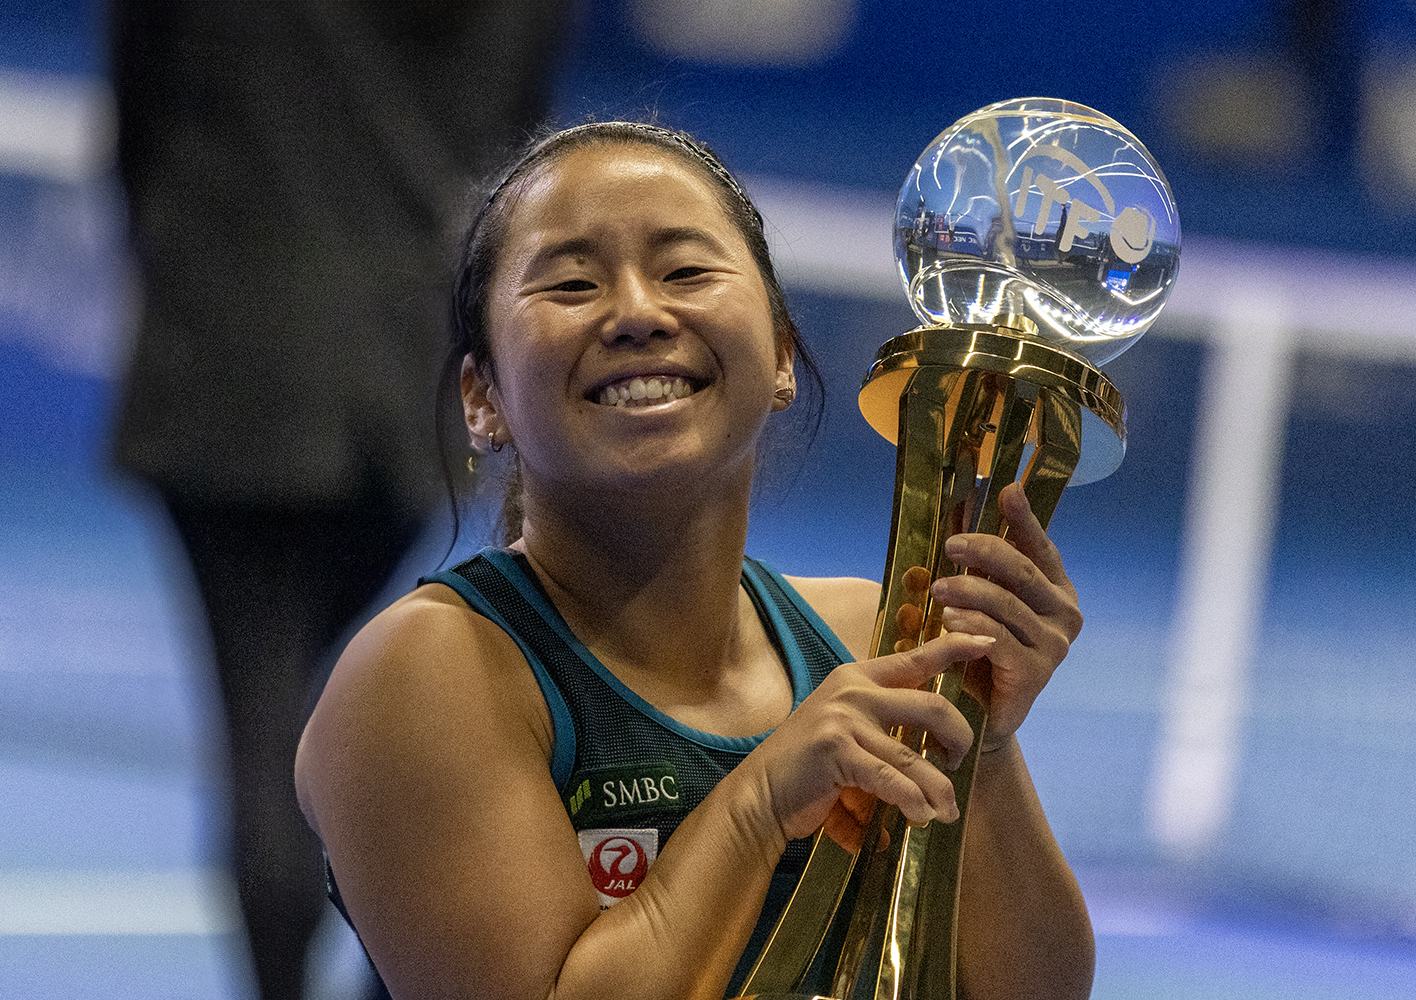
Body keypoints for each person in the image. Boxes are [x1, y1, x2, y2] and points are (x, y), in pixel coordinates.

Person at [295, 122, 1094, 1000]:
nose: (638, 313)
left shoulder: (871, 638)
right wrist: (759, 805)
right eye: (572, 283)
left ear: (782, 355)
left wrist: (980, 735)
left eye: (685, 271)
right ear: (483, 398)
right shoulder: (427, 674)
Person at [109, 4, 569, 998]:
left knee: (266, 715)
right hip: (414, 371)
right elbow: (518, 158)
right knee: (313, 713)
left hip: (232, 348)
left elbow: (137, 116)